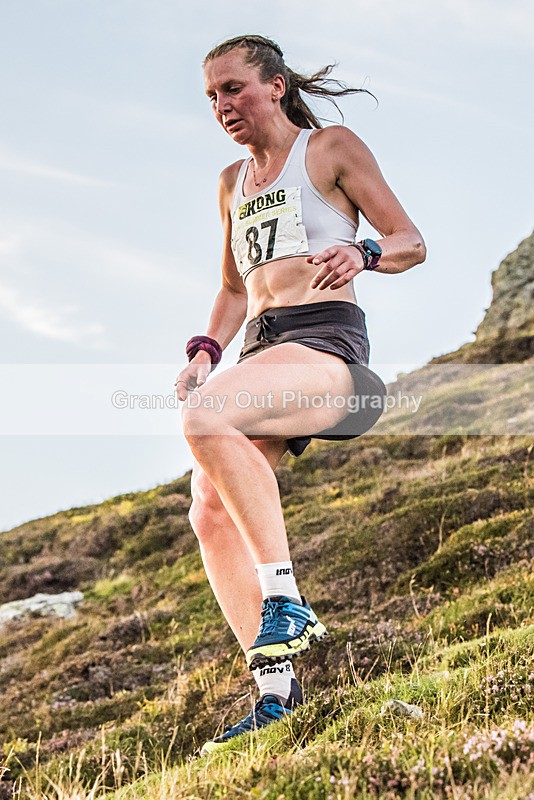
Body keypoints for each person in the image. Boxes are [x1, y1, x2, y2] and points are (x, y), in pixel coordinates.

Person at [174, 34, 426, 755]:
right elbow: (234, 289)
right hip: (261, 349)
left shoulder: (329, 149)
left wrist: (363, 252)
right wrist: (205, 350)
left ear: (276, 86)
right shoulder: (231, 182)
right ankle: (276, 695)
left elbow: (410, 240)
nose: (222, 105)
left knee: (205, 416)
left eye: (234, 88)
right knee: (208, 508)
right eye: (212, 96)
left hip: (327, 344)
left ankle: (284, 598)